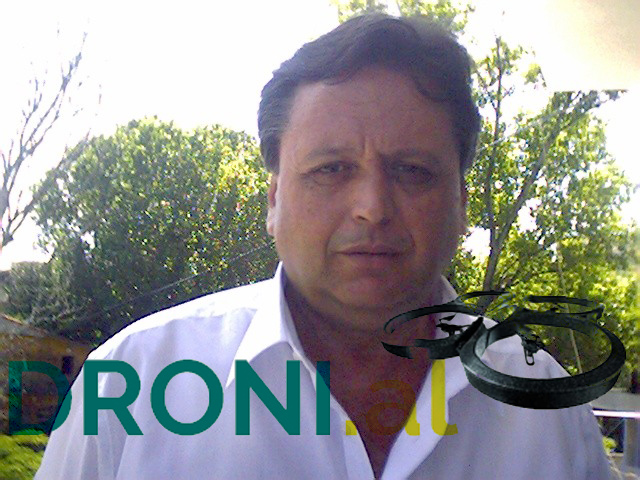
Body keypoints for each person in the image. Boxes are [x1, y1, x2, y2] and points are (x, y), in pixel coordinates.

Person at [36, 14, 610, 479]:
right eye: (331, 168)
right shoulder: (128, 386)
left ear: (461, 202)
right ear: (273, 199)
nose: (372, 207)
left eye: (412, 170)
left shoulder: (545, 409)